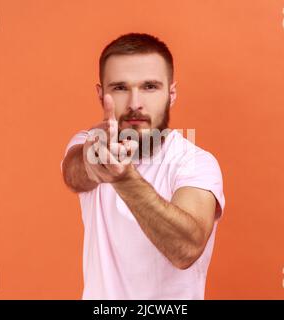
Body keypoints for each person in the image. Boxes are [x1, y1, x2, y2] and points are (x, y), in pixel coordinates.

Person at [61, 33, 225, 299]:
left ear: (171, 94)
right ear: (101, 95)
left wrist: (123, 179)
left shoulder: (196, 162)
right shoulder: (88, 144)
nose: (135, 103)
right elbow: (74, 174)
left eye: (149, 86)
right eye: (120, 88)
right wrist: (96, 157)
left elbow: (186, 249)